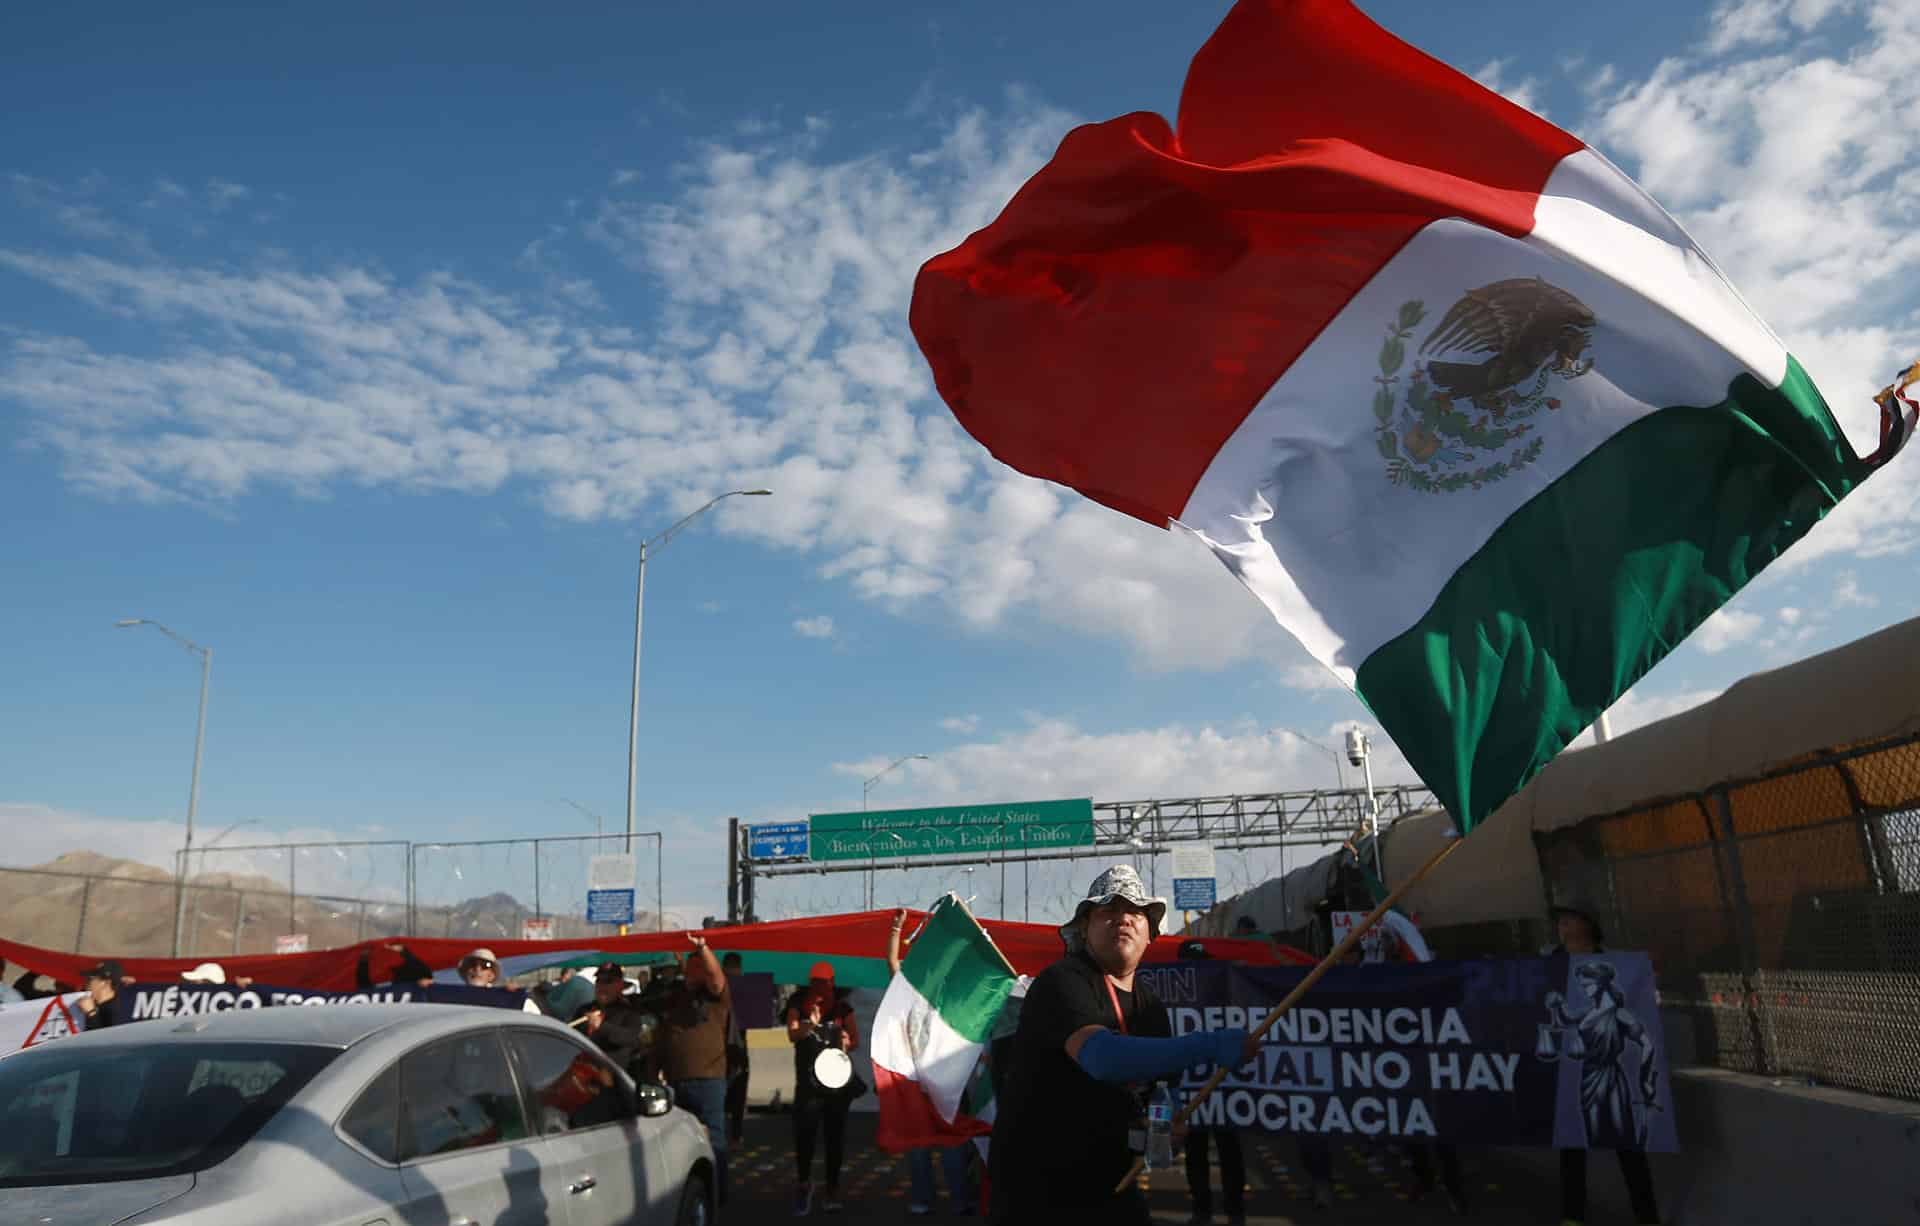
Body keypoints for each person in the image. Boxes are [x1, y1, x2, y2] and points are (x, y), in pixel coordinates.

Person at [989, 866, 1254, 1226]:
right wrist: (1209, 1045)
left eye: (1135, 912)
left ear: (1151, 933)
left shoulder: (1152, 1008)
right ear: (1085, 929)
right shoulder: (1064, 980)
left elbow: (1159, 1094)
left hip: (1110, 1184)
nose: (1123, 919)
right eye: (1108, 911)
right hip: (1038, 1191)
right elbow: (1103, 1058)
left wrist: (1162, 1131)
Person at [1547, 905, 1661, 1226]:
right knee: (1571, 1143)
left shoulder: (1618, 970)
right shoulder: (1551, 962)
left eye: (1570, 918)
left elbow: (1642, 1031)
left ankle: (1647, 1215)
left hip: (1611, 1076)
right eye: (1560, 920)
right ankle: (1573, 1216)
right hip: (1572, 1074)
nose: (1562, 925)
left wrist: (1647, 1080)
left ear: (1588, 924)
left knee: (1627, 1146)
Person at [887, 908, 976, 1217]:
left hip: (943, 1081)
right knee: (925, 1144)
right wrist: (897, 932)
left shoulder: (945, 995)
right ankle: (948, 1199)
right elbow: (894, 965)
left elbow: (894, 966)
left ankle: (950, 1198)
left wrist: (897, 932)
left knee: (941, 1144)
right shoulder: (914, 993)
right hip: (924, 1081)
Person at [656, 935, 735, 1205]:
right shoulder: (678, 998)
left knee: (714, 1139)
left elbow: (716, 976)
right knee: (680, 1143)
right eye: (687, 968)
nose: (689, 972)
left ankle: (717, 1196)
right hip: (676, 1081)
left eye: (696, 967)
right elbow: (663, 1035)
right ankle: (690, 1195)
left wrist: (702, 948)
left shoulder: (715, 997)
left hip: (708, 1080)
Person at [1175, 940, 1244, 1226]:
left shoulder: (1225, 994)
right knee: (1198, 1153)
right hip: (1193, 1087)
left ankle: (1234, 1211)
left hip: (1222, 1086)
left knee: (1228, 1153)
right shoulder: (1174, 997)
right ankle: (1204, 1209)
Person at [787, 960, 860, 1216]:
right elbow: (792, 1034)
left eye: (825, 983)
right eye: (816, 983)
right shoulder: (798, 1004)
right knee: (805, 1138)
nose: (820, 989)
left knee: (834, 1140)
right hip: (808, 1085)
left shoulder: (842, 1008)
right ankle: (804, 1184)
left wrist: (847, 1041)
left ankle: (832, 1189)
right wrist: (810, 1025)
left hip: (836, 1086)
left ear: (832, 983)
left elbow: (855, 1038)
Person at [576, 962, 651, 1077]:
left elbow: (631, 1039)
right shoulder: (584, 1010)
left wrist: (602, 1027)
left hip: (614, 1080)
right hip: (582, 1076)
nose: (602, 986)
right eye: (599, 981)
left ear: (619, 985)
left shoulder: (629, 1013)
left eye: (607, 982)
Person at [721, 952, 750, 1146]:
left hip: (737, 1047)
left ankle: (735, 1134)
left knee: (737, 1092)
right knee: (728, 1093)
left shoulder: (744, 989)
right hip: (723, 1048)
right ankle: (732, 1134)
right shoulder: (720, 989)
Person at [356, 941, 435, 989]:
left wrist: (429, 982)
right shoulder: (387, 973)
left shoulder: (411, 967)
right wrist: (364, 961)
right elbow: (366, 989)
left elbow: (426, 975)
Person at [72, 959, 125, 1031]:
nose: (86, 983)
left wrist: (91, 1013)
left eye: (90, 979)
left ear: (106, 983)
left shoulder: (117, 1011)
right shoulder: (97, 1006)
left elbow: (109, 1039)